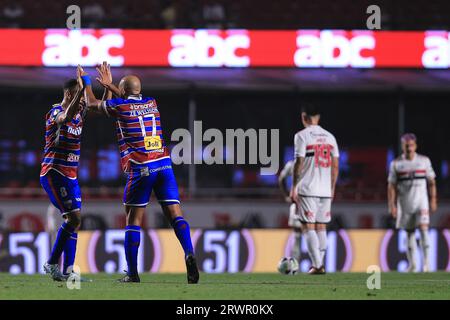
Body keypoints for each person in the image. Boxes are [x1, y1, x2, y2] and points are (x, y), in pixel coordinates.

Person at [81, 62, 199, 283]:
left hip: (141, 166)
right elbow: (127, 98)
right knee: (175, 215)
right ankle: (189, 252)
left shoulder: (121, 107)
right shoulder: (152, 103)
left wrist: (86, 81)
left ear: (123, 92)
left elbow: (92, 104)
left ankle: (133, 274)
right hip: (164, 165)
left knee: (133, 220)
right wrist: (112, 86)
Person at [40, 68, 85, 281]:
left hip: (71, 174)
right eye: (79, 95)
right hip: (54, 172)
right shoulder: (55, 112)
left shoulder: (79, 113)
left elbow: (98, 108)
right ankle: (51, 263)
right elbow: (64, 117)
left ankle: (68, 271)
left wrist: (107, 87)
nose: (83, 100)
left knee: (74, 220)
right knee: (74, 218)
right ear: (69, 94)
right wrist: (80, 91)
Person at [290, 104, 339, 274]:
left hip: (308, 188)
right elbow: (335, 167)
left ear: (304, 117)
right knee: (321, 227)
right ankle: (319, 263)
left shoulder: (301, 136)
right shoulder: (331, 137)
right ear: (319, 117)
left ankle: (318, 265)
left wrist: (294, 186)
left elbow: (299, 163)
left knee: (308, 227)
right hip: (325, 189)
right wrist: (332, 187)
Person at [388, 133, 437, 272]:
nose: (409, 148)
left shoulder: (424, 161)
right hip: (404, 203)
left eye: (411, 145)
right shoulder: (396, 164)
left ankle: (427, 264)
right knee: (409, 233)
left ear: (415, 146)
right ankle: (413, 265)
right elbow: (391, 186)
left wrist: (433, 199)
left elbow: (432, 181)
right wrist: (392, 205)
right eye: (406, 145)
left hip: (421, 202)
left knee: (424, 230)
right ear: (402, 146)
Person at [278, 159, 302, 262]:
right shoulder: (292, 164)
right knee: (297, 234)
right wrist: (286, 195)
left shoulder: (313, 164)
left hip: (310, 203)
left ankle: (317, 264)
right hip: (297, 203)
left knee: (313, 232)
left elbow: (281, 179)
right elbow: (281, 179)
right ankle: (295, 263)